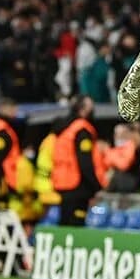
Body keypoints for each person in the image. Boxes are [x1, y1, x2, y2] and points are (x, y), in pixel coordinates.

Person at [51, 96, 105, 227]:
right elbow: (85, 162)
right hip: (78, 185)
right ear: (83, 110)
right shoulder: (81, 130)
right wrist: (96, 185)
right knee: (75, 225)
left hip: (63, 183)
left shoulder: (64, 129)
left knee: (65, 222)